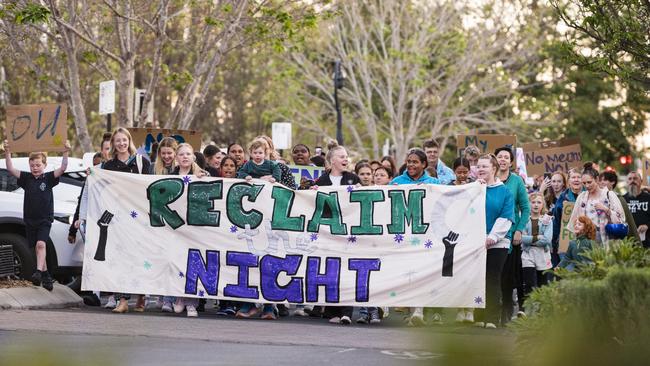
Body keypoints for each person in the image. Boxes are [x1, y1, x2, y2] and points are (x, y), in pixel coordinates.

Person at [90, 127, 152, 313]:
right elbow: (101, 185)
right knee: (118, 257)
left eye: (124, 140)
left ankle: (141, 294)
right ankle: (122, 300)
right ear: (114, 144)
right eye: (118, 141)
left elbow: (150, 186)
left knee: (136, 257)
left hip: (138, 216)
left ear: (129, 140)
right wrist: (91, 174)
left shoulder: (142, 162)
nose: (121, 143)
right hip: (118, 217)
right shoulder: (108, 165)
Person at [3, 139, 71, 291]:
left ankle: (38, 272)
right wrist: (8, 152)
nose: (35, 168)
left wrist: (65, 152)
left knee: (41, 245)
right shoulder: (26, 178)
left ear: (44, 165)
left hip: (44, 219)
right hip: (30, 220)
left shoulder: (48, 178)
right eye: (32, 165)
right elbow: (10, 169)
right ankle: (46, 275)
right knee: (38, 248)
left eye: (38, 165)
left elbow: (63, 168)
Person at [311, 141, 360, 325]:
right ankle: (332, 310)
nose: (345, 159)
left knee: (347, 270)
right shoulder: (322, 181)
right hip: (328, 233)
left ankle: (347, 311)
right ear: (331, 161)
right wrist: (312, 192)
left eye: (346, 156)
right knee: (331, 269)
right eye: (341, 156)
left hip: (347, 232)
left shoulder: (353, 179)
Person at [389, 149, 439, 326]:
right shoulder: (396, 183)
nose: (411, 165)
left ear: (424, 164)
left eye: (415, 162)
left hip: (425, 236)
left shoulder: (434, 183)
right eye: (409, 161)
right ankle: (410, 312)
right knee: (407, 275)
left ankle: (419, 311)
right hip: (402, 237)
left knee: (422, 274)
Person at [474, 154, 515, 329]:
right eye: (478, 166)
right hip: (475, 243)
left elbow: (506, 216)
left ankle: (491, 318)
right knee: (476, 279)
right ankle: (478, 316)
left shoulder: (504, 191)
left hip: (498, 243)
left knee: (492, 278)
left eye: (484, 166)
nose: (480, 169)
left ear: (494, 168)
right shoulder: (473, 188)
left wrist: (492, 236)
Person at [168, 143, 208, 317]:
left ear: (193, 157)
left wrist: (203, 179)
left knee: (193, 263)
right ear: (176, 157)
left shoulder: (202, 176)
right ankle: (178, 298)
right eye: (181, 154)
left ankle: (191, 302)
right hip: (175, 227)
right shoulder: (169, 177)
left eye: (188, 154)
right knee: (176, 261)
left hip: (194, 227)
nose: (185, 157)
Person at [494, 146, 530, 325]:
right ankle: (490, 313)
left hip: (510, 236)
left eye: (506, 157)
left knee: (508, 277)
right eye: (499, 157)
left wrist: (519, 229)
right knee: (493, 276)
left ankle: (506, 313)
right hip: (490, 235)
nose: (502, 160)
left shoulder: (516, 181)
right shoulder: (489, 180)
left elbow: (526, 208)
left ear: (511, 161)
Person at [568, 163, 624, 247]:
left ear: (597, 179)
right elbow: (574, 221)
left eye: (589, 182)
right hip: (588, 240)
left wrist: (606, 209)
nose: (587, 185)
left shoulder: (609, 195)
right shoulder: (582, 197)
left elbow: (621, 220)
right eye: (584, 183)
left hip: (608, 241)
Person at [450, 157, 475, 323]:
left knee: (472, 273)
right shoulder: (447, 187)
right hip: (454, 234)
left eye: (465, 172)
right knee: (458, 275)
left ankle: (470, 309)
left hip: (472, 233)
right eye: (459, 172)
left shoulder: (476, 186)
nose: (462, 175)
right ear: (454, 172)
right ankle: (460, 309)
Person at [520, 192, 553, 312]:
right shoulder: (524, 220)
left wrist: (530, 240)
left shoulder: (547, 220)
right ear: (529, 204)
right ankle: (526, 310)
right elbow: (521, 238)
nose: (535, 205)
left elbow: (547, 240)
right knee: (528, 283)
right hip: (528, 254)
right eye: (533, 202)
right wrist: (536, 238)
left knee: (542, 284)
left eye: (539, 202)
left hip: (543, 255)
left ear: (543, 204)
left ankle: (541, 310)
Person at [551, 169, 584, 266]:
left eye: (579, 177)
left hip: (585, 243)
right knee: (569, 275)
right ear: (569, 181)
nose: (576, 180)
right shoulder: (563, 197)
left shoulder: (588, 195)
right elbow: (556, 220)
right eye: (573, 177)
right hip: (566, 243)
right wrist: (554, 242)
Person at [599, 170, 640, 243]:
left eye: (605, 180)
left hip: (618, 239)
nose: (601, 182)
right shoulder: (599, 198)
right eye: (600, 180)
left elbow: (628, 222)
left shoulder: (619, 198)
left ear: (612, 182)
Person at [623, 171, 650, 248]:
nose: (632, 181)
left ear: (641, 181)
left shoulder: (648, 198)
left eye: (635, 178)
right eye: (630, 179)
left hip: (647, 241)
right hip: (628, 242)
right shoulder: (622, 199)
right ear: (627, 182)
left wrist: (647, 226)